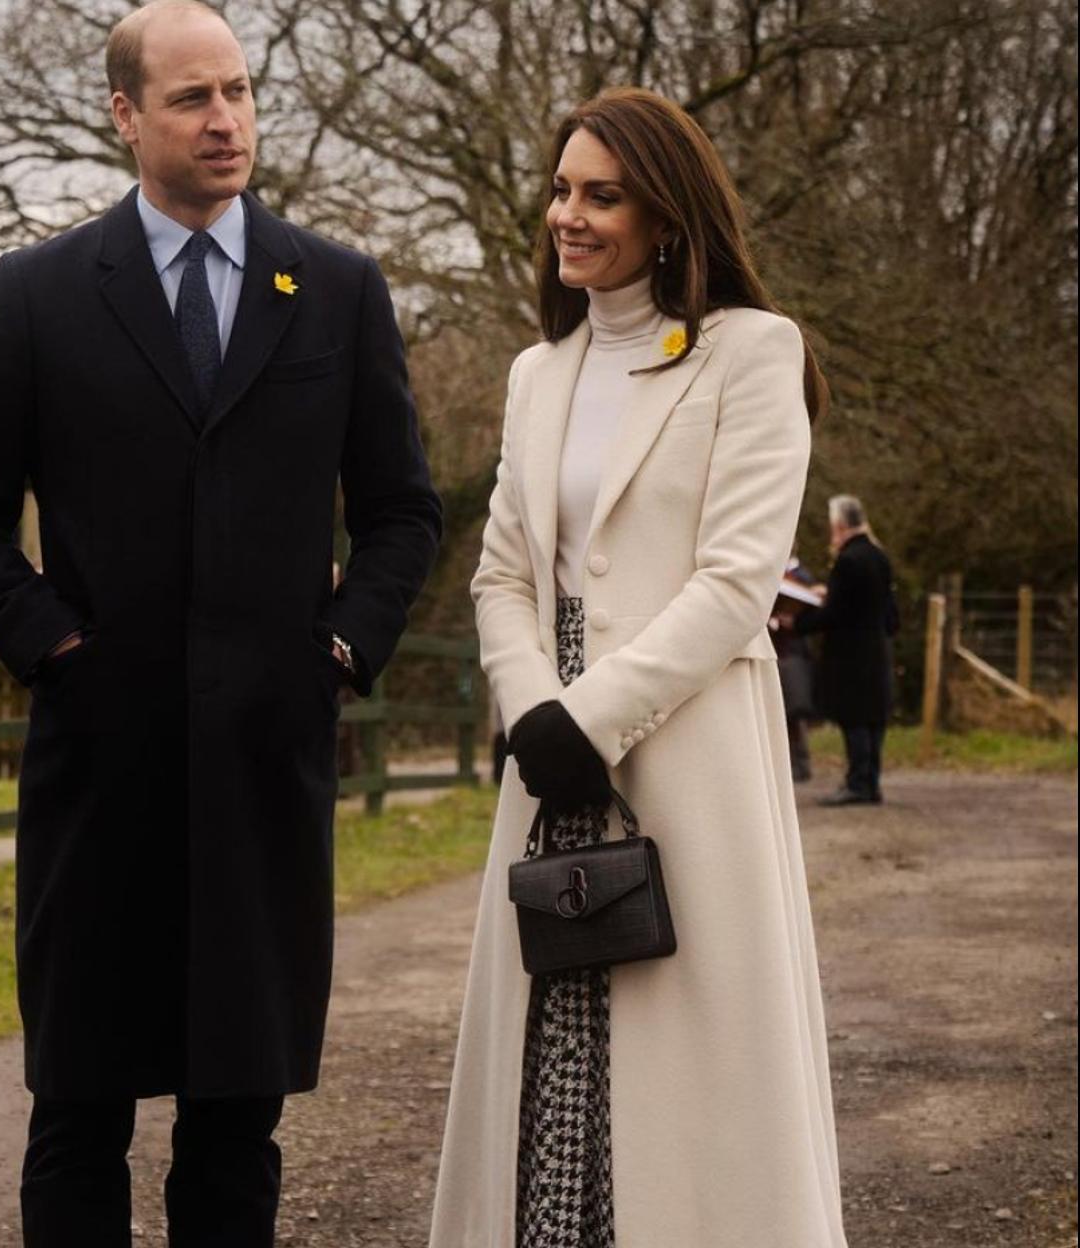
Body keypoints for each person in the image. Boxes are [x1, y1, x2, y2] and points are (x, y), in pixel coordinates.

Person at [0, 2, 441, 1244]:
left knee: (236, 1123)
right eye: (193, 97)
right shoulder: (40, 293)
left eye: (240, 92)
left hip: (266, 768)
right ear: (125, 115)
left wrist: (337, 652)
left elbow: (402, 513)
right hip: (101, 769)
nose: (226, 120)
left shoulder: (336, 290)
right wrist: (54, 647)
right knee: (77, 1113)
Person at [430, 88, 848, 1247]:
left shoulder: (752, 352)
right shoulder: (538, 372)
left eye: (602, 196)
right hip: (548, 747)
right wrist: (535, 713)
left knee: (687, 1048)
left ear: (666, 217)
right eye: (562, 190)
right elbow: (503, 575)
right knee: (549, 1021)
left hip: (685, 737)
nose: (568, 215)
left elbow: (737, 580)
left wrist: (592, 716)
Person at [793, 495, 898, 805]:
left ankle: (857, 783)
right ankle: (870, 782)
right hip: (877, 648)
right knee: (873, 719)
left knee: (854, 718)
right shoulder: (878, 556)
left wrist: (798, 622)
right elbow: (886, 609)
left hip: (851, 654)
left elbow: (836, 612)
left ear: (838, 525)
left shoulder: (848, 560)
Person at [771, 550, 823, 782]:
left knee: (795, 710)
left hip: (793, 651)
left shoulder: (803, 577)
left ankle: (801, 763)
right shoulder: (770, 570)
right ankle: (780, 766)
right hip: (774, 647)